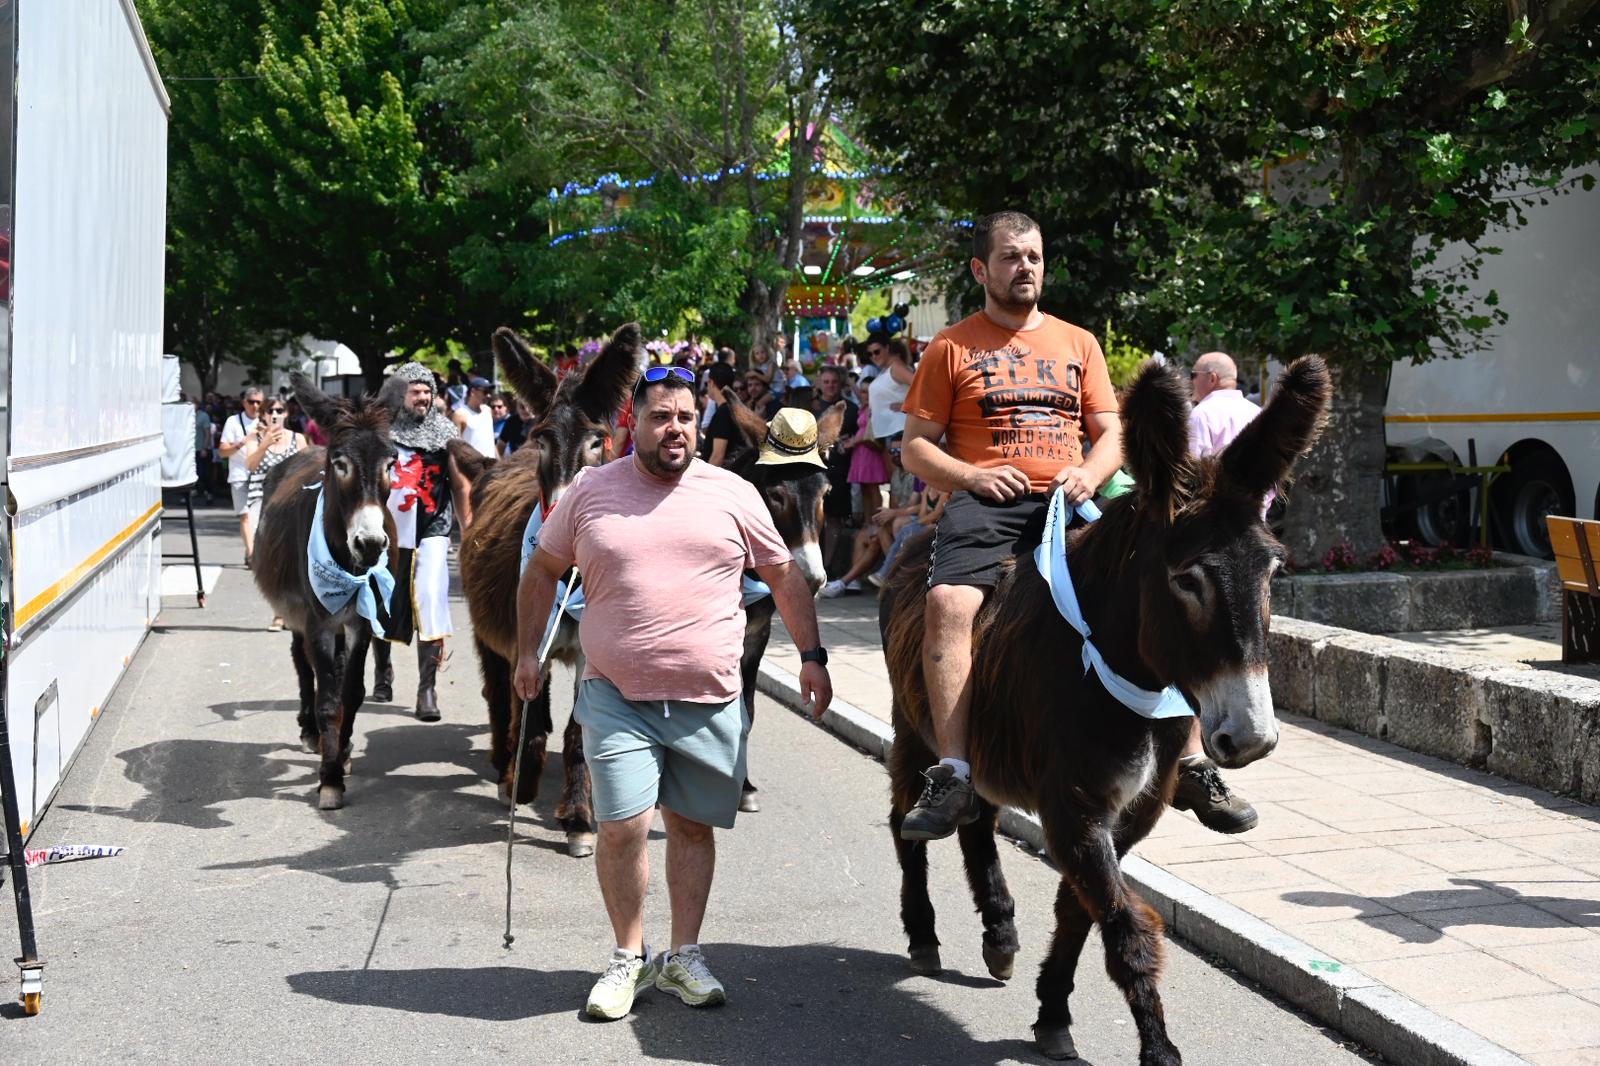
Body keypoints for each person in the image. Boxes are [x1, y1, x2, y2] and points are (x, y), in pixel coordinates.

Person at [513, 366, 832, 1021]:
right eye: (661, 417)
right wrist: (526, 650)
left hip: (707, 697)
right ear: (637, 422)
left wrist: (813, 655)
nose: (676, 429)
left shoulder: (733, 494)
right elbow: (542, 569)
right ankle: (628, 957)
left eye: (686, 417)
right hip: (616, 694)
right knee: (624, 827)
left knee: (689, 829)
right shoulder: (590, 492)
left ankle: (684, 955)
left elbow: (783, 575)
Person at [897, 210, 1123, 840]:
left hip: (1069, 498)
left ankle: (1188, 759)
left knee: (1162, 577)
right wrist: (971, 477)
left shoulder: (1079, 342)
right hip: (987, 502)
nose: (1025, 268)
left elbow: (1111, 434)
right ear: (981, 269)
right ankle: (952, 774)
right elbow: (915, 447)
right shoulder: (950, 347)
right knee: (946, 600)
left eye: (1034, 257)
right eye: (1010, 257)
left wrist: (1091, 473)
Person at [1170, 350, 1263, 834]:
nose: (1191, 382)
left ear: (1207, 378)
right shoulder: (1256, 414)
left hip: (1207, 542)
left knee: (1196, 636)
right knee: (1244, 635)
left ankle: (1190, 756)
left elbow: (1190, 478)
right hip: (1248, 539)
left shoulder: (1203, 414)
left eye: (1193, 376)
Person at [378, 363, 472, 721]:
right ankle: (382, 670)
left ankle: (426, 689)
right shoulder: (384, 430)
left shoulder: (445, 431)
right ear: (400, 394)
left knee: (431, 599)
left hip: (433, 528)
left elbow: (460, 484)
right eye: (415, 390)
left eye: (427, 391)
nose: (423, 397)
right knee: (384, 598)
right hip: (389, 531)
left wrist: (468, 532)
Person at [244, 398, 308, 630]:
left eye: (279, 410)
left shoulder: (297, 438)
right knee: (272, 560)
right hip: (263, 503)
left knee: (294, 557)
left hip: (292, 505)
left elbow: (307, 468)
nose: (274, 413)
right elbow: (250, 465)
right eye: (270, 410)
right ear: (262, 414)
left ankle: (294, 611)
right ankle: (279, 613)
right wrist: (265, 443)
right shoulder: (255, 438)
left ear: (287, 414)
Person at [809, 365, 860, 575]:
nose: (830, 386)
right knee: (813, 518)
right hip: (814, 471)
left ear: (840, 384)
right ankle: (813, 565)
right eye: (826, 382)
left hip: (840, 472)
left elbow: (859, 436)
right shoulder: (810, 408)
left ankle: (828, 566)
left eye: (834, 382)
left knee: (835, 519)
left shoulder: (852, 409)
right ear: (820, 384)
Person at [217, 386, 264, 565]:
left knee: (257, 517)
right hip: (239, 475)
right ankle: (252, 556)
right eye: (251, 402)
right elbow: (222, 452)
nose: (255, 405)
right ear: (244, 402)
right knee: (244, 515)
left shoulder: (265, 422)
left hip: (260, 475)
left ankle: (249, 549)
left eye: (258, 402)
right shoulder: (233, 422)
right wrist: (243, 442)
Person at [701, 363, 742, 467]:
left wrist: (703, 481)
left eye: (707, 383)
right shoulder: (733, 408)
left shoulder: (724, 413)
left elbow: (717, 457)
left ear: (711, 383)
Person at [453, 375, 499, 459]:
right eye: (485, 392)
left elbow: (491, 441)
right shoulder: (460, 414)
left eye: (490, 392)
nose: (488, 396)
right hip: (472, 467)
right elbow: (456, 447)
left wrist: (499, 461)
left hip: (491, 465)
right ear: (473, 391)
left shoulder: (487, 410)